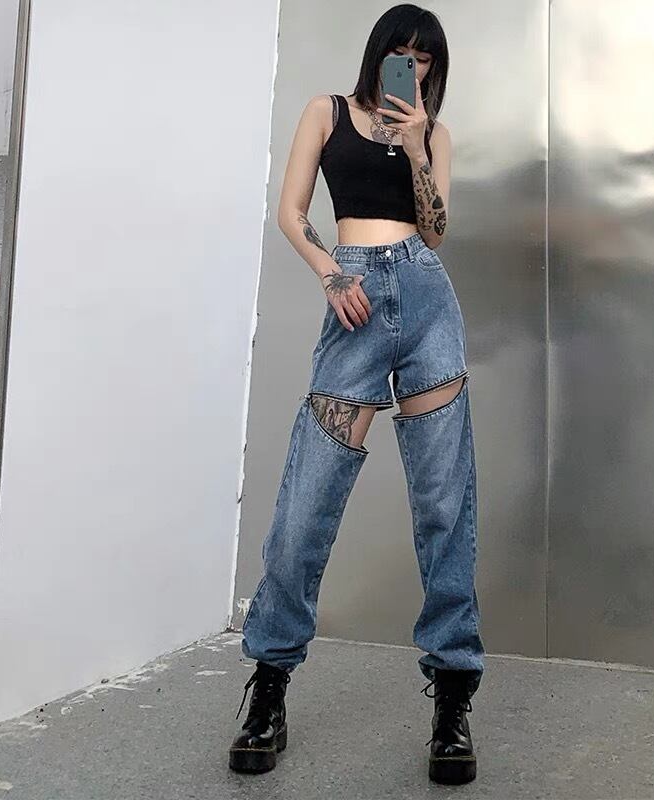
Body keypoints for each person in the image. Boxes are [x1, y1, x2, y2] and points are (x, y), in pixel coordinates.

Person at [229, 4, 485, 785]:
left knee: (444, 505)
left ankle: (452, 702)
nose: (412, 65)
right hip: (358, 299)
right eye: (401, 51)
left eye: (424, 58)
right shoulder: (327, 111)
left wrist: (418, 146)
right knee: (308, 501)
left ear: (434, 69)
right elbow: (291, 211)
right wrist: (332, 275)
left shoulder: (435, 136)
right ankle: (269, 687)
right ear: (378, 53)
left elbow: (435, 231)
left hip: (427, 302)